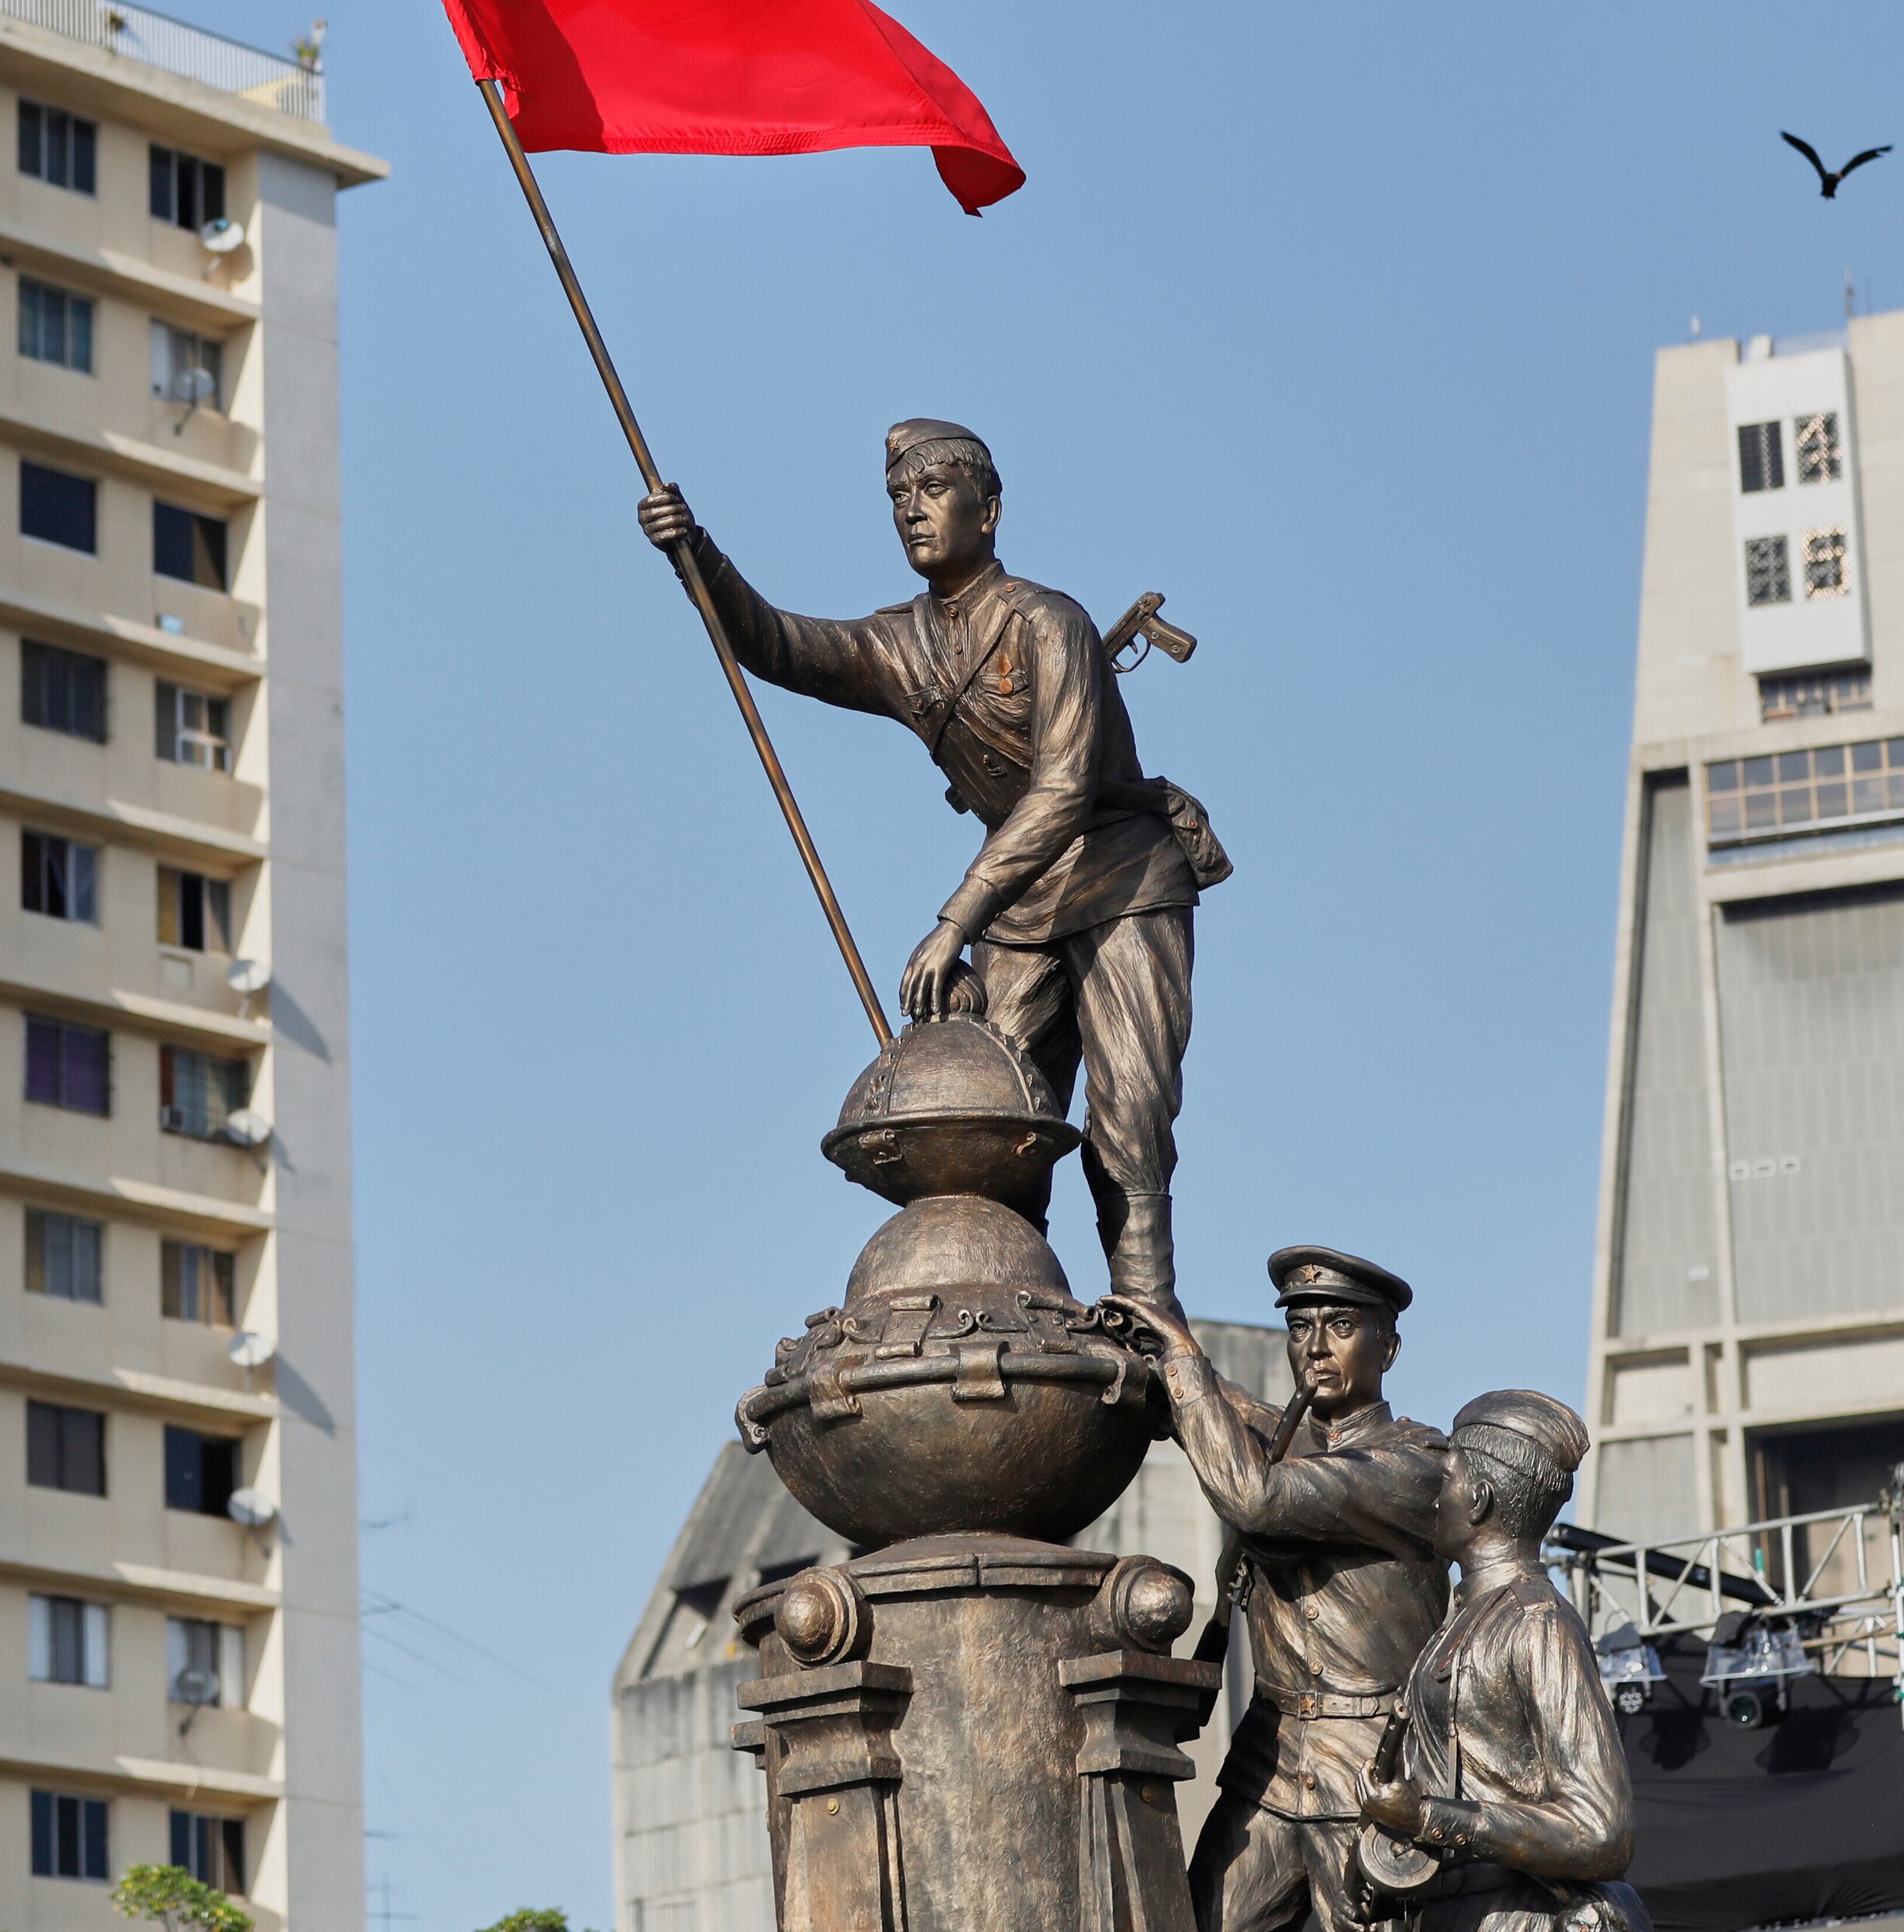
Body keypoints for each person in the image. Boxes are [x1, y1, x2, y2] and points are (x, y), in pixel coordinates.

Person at [639, 421, 1225, 1304]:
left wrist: (954, 922)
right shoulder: (899, 642)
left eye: (932, 490)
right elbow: (777, 645)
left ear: (987, 511)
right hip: (1018, 904)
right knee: (992, 1120)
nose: (910, 510)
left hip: (1120, 877)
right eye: (896, 498)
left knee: (1130, 1118)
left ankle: (1146, 1310)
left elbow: (1064, 791)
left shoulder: (1048, 621)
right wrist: (697, 557)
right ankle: (1015, 1304)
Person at [1113, 1250, 1450, 1932]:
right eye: (1300, 1327)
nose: (1316, 1346)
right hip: (1266, 1771)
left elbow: (1256, 1497)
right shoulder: (1284, 1438)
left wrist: (1184, 1365)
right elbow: (1197, 1376)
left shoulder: (1416, 1464)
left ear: (1388, 1347)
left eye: (1342, 1325)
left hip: (1367, 1780)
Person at [1351, 1392, 1644, 1932]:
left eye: (1446, 1481)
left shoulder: (1539, 1624)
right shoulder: (1460, 1621)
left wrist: (1427, 1815)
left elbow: (1604, 1829)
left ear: (1479, 1500)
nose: (1434, 1498)